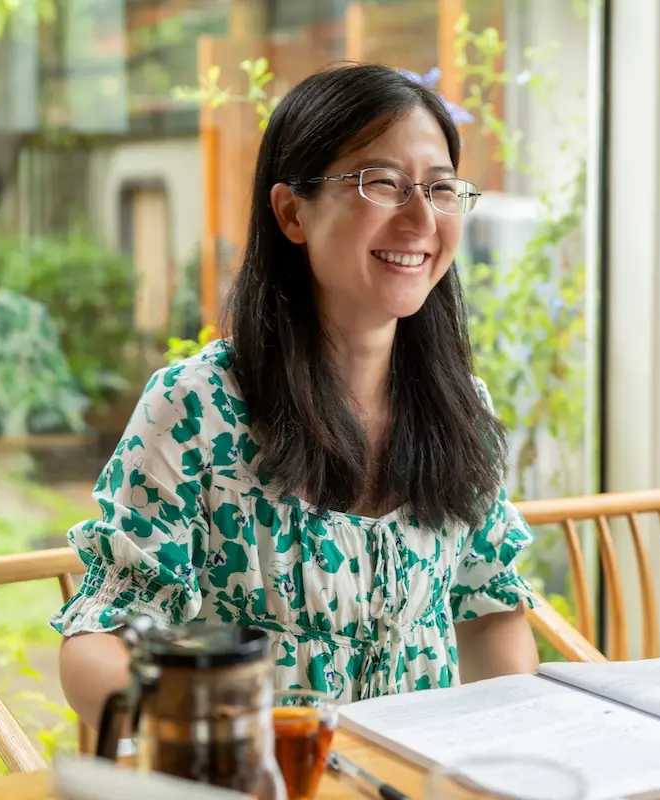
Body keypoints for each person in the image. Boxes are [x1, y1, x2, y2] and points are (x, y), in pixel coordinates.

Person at [54, 62, 540, 726]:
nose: (422, 218)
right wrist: (196, 746)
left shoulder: (462, 410)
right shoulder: (196, 408)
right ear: (291, 213)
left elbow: (487, 616)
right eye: (383, 183)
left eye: (441, 188)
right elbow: (104, 633)